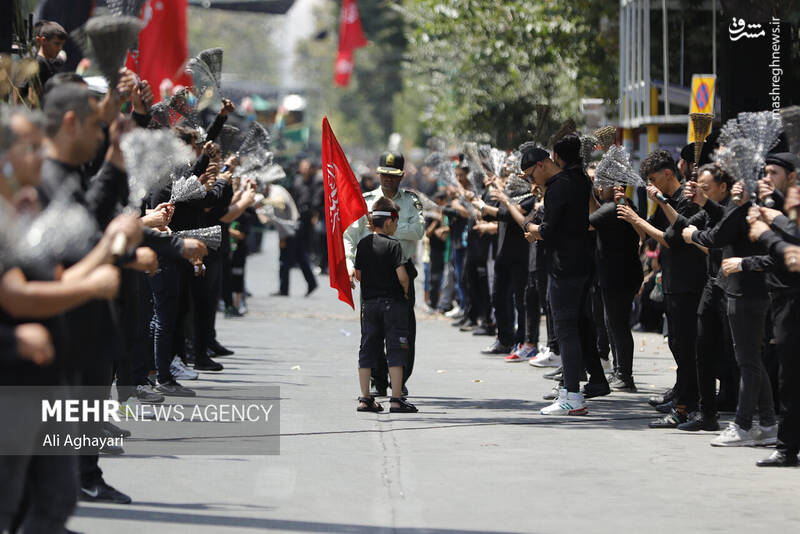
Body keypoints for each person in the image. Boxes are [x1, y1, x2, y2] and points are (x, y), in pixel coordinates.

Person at [617, 150, 707, 428]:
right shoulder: (664, 202)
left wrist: (637, 218)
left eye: (654, 179)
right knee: (677, 343)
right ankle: (682, 395)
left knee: (686, 345)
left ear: (669, 174)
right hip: (672, 281)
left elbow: (671, 239)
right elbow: (648, 234)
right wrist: (630, 209)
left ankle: (687, 405)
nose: (652, 185)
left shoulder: (685, 202)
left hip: (689, 283)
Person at [525, 136, 602, 415]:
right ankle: (573, 390)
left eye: (532, 174)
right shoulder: (579, 179)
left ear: (545, 162)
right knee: (574, 328)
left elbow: (547, 230)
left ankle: (571, 395)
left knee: (565, 329)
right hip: (581, 263)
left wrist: (533, 231)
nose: (533, 180)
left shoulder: (559, 187)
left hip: (564, 267)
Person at [344, 151, 425, 396]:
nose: (389, 179)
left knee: (404, 329)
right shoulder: (365, 200)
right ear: (378, 174)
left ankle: (399, 380)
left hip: (401, 268)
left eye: (394, 176)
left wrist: (381, 229)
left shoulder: (411, 201)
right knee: (372, 328)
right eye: (385, 175)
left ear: (402, 176)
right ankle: (377, 380)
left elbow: (418, 231)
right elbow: (350, 235)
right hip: (372, 271)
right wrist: (349, 263)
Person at [354, 197, 417, 413]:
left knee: (367, 348)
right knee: (396, 349)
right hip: (393, 304)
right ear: (389, 222)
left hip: (369, 305)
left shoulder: (363, 244)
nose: (397, 226)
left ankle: (364, 398)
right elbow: (402, 276)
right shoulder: (393, 245)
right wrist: (406, 292)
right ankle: (396, 399)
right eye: (396, 222)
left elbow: (359, 275)